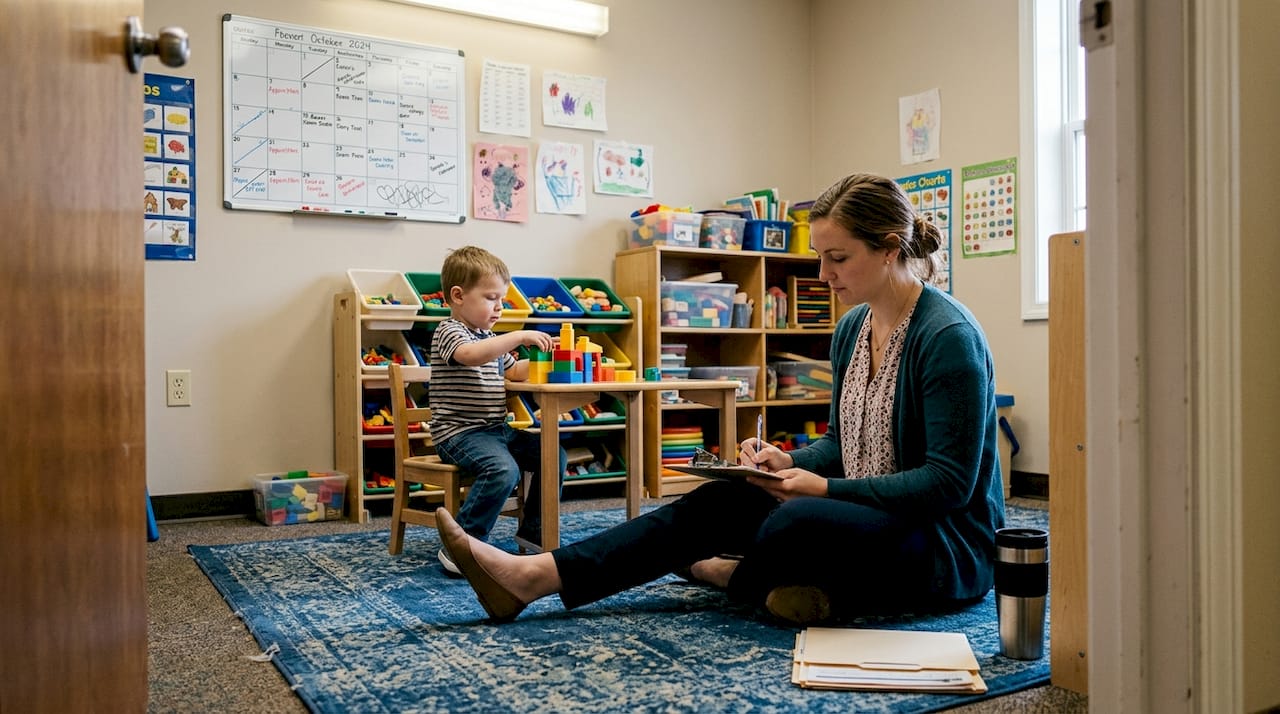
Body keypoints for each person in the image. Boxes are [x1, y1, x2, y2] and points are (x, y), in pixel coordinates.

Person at [436, 174, 1004, 624]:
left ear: (888, 249)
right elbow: (842, 443)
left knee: (796, 522)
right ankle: (534, 576)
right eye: (820, 256)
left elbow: (948, 486)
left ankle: (722, 575)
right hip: (864, 513)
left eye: (838, 257)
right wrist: (789, 462)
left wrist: (820, 486)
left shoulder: (946, 337)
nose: (822, 273)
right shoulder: (854, 328)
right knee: (716, 503)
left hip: (943, 544)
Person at [428, 245, 567, 575]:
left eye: (501, 299)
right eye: (491, 298)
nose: (499, 307)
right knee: (504, 470)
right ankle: (462, 545)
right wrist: (518, 336)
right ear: (458, 296)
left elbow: (512, 371)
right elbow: (472, 355)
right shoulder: (449, 331)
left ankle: (534, 535)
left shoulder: (488, 336)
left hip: (494, 430)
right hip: (459, 433)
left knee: (553, 453)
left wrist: (544, 359)